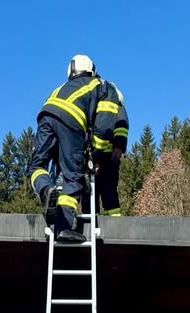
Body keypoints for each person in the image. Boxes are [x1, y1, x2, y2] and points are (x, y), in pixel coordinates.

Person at [27, 54, 121, 242]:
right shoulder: (103, 86)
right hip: (72, 119)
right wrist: (98, 156)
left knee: (36, 166)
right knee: (73, 176)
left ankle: (46, 190)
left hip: (46, 114)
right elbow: (104, 125)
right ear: (92, 69)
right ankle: (63, 227)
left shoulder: (62, 88)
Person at [93, 84, 128, 217]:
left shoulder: (118, 109)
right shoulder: (99, 110)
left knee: (108, 191)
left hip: (108, 159)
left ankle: (113, 222)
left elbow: (121, 129)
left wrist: (118, 148)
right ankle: (93, 220)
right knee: (92, 193)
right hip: (98, 157)